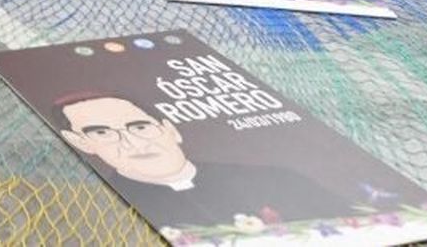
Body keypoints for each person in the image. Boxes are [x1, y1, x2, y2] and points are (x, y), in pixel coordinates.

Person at [56, 94, 347, 229]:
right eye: (103, 133)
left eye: (140, 127)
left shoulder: (277, 178)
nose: (134, 142)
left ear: (169, 129)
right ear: (82, 143)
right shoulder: (96, 213)